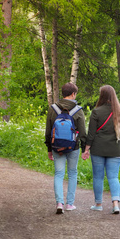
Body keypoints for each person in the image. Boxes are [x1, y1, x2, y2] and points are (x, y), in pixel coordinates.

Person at [81, 85, 120, 214]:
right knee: (113, 177)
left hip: (98, 149)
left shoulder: (96, 111)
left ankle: (98, 204)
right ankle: (116, 204)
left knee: (98, 177)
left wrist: (86, 149)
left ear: (102, 96)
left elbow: (91, 134)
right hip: (116, 149)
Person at [45, 82, 87, 214]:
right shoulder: (78, 110)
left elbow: (48, 131)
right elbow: (83, 133)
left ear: (63, 94)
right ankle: (69, 204)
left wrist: (49, 149)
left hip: (57, 147)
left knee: (59, 174)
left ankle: (59, 203)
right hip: (73, 147)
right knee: (72, 173)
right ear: (73, 94)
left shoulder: (53, 109)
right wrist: (85, 149)